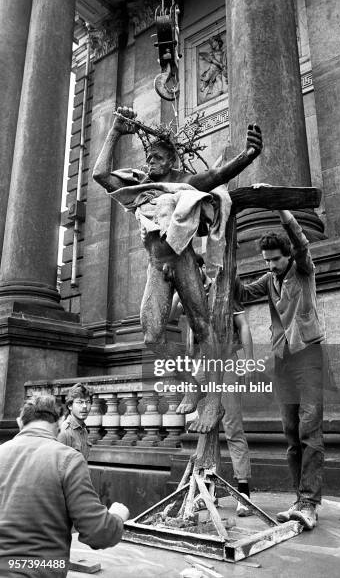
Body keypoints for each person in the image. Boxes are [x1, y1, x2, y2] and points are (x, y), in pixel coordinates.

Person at [93, 106, 262, 434]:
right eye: (149, 157)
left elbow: (217, 177)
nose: (149, 162)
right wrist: (115, 130)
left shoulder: (184, 181)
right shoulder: (142, 185)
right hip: (156, 265)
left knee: (203, 327)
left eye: (156, 157)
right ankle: (194, 380)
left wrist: (249, 154)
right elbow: (101, 175)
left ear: (171, 160)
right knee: (153, 335)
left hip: (182, 259)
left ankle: (212, 402)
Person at [235, 207, 325, 530]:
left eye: (275, 259)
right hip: (283, 361)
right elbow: (242, 293)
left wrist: (282, 211)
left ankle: (310, 503)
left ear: (287, 256)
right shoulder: (269, 279)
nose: (271, 265)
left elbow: (301, 243)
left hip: (309, 357)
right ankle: (299, 499)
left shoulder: (302, 270)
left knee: (309, 430)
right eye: (266, 260)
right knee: (290, 434)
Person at [0, 395, 129, 578]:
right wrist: (117, 517)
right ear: (60, 422)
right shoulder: (68, 459)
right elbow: (99, 533)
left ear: (20, 422)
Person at [170, 255, 253, 517]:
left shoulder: (223, 289)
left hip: (226, 362)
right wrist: (176, 290)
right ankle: (207, 490)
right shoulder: (187, 293)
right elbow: (171, 316)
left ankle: (244, 494)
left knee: (232, 426)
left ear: (201, 268)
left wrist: (248, 362)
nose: (190, 275)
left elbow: (244, 325)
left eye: (192, 270)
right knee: (205, 428)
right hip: (201, 366)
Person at [58, 383, 92, 460]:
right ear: (70, 406)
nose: (85, 406)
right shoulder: (64, 431)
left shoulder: (84, 430)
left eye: (88, 402)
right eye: (80, 402)